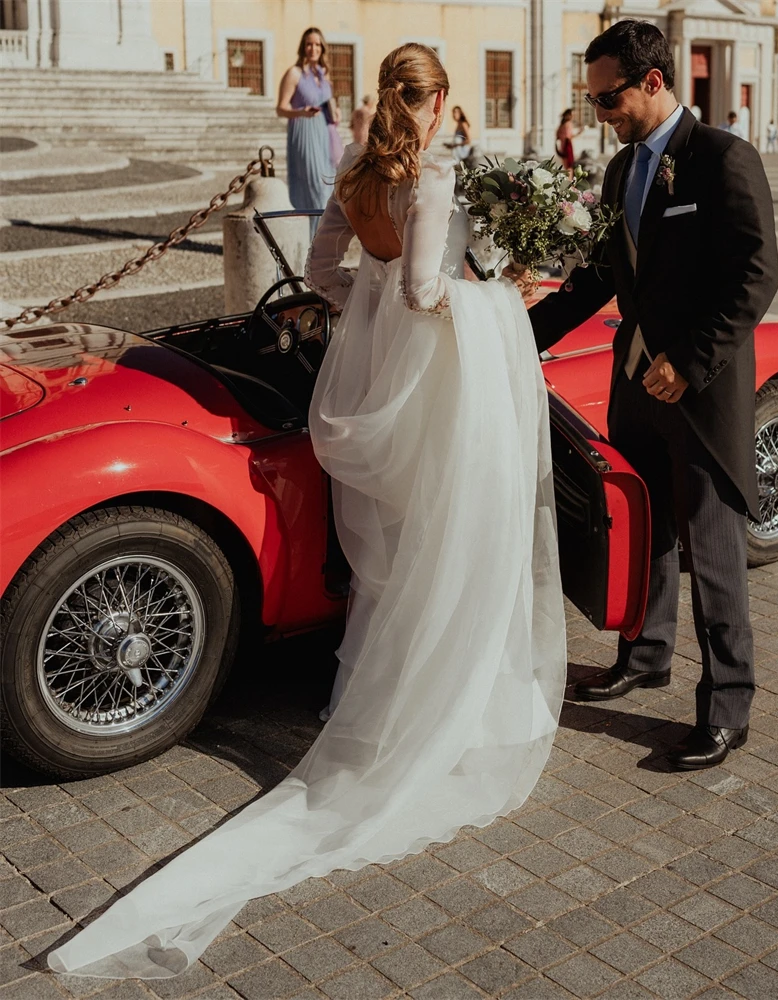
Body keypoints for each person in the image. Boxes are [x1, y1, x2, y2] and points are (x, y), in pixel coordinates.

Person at [47, 43, 566, 980]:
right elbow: (426, 290)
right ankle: (446, 703)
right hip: (434, 383)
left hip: (364, 373)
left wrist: (366, 308)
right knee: (451, 540)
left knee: (392, 550)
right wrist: (495, 295)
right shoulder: (437, 176)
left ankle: (372, 689)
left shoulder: (361, 177)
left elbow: (330, 275)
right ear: (442, 100)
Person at [529, 19, 778, 770]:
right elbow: (604, 277)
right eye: (593, 101)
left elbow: (755, 276)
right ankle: (645, 655)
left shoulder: (723, 159)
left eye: (608, 101)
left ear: (652, 83)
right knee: (645, 534)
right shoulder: (620, 172)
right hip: (635, 386)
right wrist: (517, 330)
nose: (600, 115)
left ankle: (728, 707)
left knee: (712, 549)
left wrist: (691, 362)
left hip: (701, 396)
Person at [277, 27, 337, 235]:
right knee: (314, 188)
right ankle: (309, 241)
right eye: (309, 44)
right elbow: (281, 108)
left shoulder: (323, 75)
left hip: (324, 135)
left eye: (318, 44)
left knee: (327, 189)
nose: (314, 48)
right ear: (303, 47)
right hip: (303, 134)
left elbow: (327, 103)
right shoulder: (294, 74)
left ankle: (320, 243)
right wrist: (302, 111)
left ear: (323, 48)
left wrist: (334, 111)